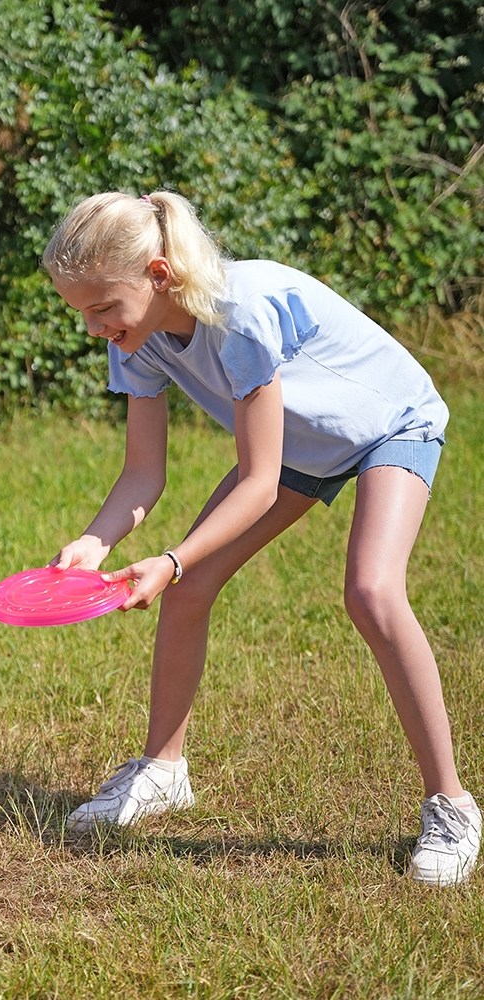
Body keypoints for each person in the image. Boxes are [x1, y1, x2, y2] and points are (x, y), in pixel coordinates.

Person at [41, 190, 479, 887]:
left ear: (158, 276)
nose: (93, 327)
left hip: (389, 422)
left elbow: (259, 480)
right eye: (80, 313)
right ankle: (163, 769)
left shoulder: (239, 312)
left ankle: (452, 806)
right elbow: (141, 475)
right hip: (301, 447)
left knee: (372, 591)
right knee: (191, 592)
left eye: (102, 309)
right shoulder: (137, 341)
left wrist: (174, 559)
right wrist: (95, 542)